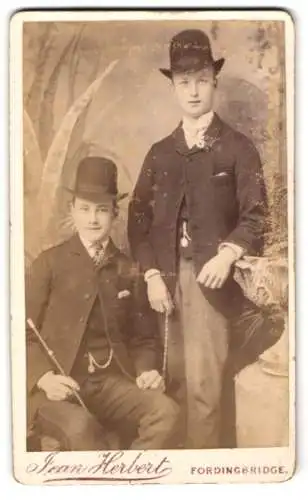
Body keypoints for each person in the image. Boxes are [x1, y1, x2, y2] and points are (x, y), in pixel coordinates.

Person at [128, 29, 269, 449]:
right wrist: (152, 274)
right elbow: (137, 219)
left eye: (201, 80)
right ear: (173, 87)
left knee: (205, 391)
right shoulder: (159, 153)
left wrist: (227, 255)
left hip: (212, 288)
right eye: (184, 82)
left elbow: (257, 216)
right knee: (168, 388)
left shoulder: (238, 149)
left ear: (214, 82)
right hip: (162, 286)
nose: (193, 91)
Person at [26, 156, 180, 451]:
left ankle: (130, 480)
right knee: (82, 427)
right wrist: (44, 378)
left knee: (166, 413)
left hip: (111, 383)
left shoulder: (128, 268)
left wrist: (146, 370)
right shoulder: (49, 263)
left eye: (102, 210)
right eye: (84, 209)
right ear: (72, 210)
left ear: (115, 214)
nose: (92, 219)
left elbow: (143, 338)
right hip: (56, 386)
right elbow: (21, 331)